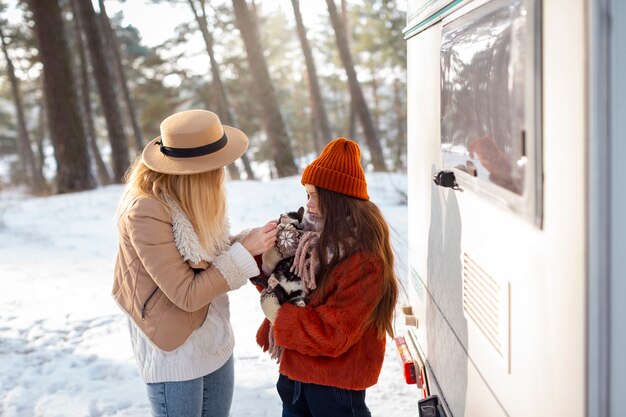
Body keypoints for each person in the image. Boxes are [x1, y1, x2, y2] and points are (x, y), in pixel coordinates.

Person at [112, 109, 277, 417]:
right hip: (173, 350)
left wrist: (252, 242)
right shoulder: (145, 212)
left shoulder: (192, 199)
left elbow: (206, 256)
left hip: (213, 338)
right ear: (197, 172)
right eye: (217, 167)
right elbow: (186, 294)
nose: (222, 173)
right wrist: (243, 254)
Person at [257, 137, 399, 417]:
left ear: (338, 200)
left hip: (335, 387)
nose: (308, 204)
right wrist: (268, 263)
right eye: (307, 194)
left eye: (316, 196)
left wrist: (279, 316)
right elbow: (291, 290)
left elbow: (333, 334)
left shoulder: (364, 260)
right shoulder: (306, 240)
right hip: (295, 376)